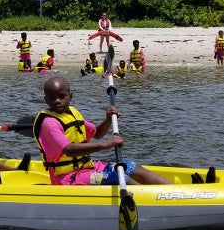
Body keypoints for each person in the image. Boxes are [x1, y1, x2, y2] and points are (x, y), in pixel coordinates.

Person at [32, 77, 171, 186]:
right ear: (46, 100)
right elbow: (69, 150)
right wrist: (106, 145)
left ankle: (176, 191)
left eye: (61, 96)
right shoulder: (49, 123)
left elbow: (97, 133)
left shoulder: (72, 113)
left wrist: (108, 120)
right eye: (52, 98)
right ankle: (148, 201)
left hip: (88, 170)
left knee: (130, 167)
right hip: (67, 179)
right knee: (117, 176)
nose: (57, 101)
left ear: (70, 96)